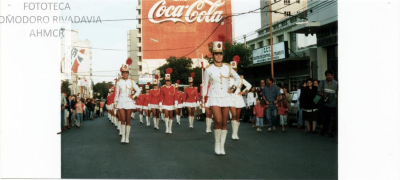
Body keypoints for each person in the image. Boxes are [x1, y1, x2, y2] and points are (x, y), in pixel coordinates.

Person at [202, 41, 240, 155]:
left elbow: (238, 78)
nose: (219, 56)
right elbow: (205, 85)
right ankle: (216, 144)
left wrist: (233, 88)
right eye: (216, 54)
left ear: (222, 55)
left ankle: (222, 146)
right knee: (217, 120)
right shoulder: (208, 69)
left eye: (220, 54)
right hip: (214, 97)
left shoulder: (228, 68)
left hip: (226, 97)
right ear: (213, 55)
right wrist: (203, 99)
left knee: (224, 121)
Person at [114, 64, 141, 144]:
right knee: (122, 119)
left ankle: (127, 137)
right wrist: (115, 102)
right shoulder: (119, 82)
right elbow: (116, 93)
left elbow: (138, 90)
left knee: (128, 119)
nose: (125, 74)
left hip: (129, 101)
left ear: (128, 73)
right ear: (122, 73)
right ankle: (123, 136)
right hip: (121, 101)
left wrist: (134, 96)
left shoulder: (131, 81)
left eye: (126, 72)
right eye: (123, 72)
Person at [229, 57, 251, 140]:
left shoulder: (240, 79)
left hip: (238, 99)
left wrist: (243, 92)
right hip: (230, 98)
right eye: (232, 70)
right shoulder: (227, 79)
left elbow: (249, 85)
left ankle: (235, 133)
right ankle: (233, 133)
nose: (234, 71)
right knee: (233, 115)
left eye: (235, 69)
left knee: (237, 116)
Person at [318, 70, 338, 137]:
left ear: (332, 76)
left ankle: (330, 131)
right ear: (325, 76)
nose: (329, 76)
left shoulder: (336, 83)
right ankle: (324, 129)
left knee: (332, 118)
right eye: (328, 75)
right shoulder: (322, 83)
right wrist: (324, 95)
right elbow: (318, 91)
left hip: (333, 103)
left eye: (330, 75)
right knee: (325, 118)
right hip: (325, 103)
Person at [160, 68, 176, 134]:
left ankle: (170, 128)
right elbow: (161, 95)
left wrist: (175, 102)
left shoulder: (173, 88)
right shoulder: (163, 88)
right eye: (166, 81)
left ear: (170, 81)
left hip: (171, 103)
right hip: (165, 103)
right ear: (165, 81)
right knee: (166, 115)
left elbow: (175, 95)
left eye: (168, 81)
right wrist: (160, 103)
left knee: (171, 116)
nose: (167, 82)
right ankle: (166, 128)